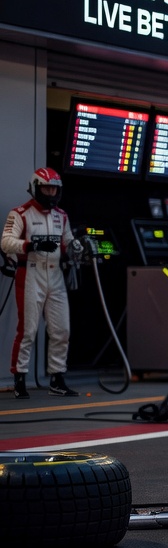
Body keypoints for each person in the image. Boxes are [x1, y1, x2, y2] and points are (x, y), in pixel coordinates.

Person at [2, 169, 84, 398]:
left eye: (54, 189)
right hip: (30, 274)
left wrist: (76, 248)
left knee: (62, 330)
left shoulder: (62, 215)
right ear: (36, 188)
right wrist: (30, 245)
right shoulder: (20, 213)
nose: (51, 193)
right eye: (47, 188)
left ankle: (57, 379)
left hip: (56, 275)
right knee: (27, 331)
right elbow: (6, 242)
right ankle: (19, 379)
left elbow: (68, 242)